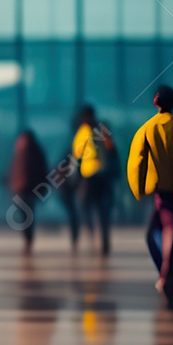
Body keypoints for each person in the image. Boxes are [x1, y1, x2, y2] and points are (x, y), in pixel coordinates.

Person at [128, 84, 173, 309]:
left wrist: (138, 189)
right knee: (168, 229)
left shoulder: (147, 128)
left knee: (157, 233)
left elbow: (137, 161)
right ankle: (167, 275)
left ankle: (166, 275)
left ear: (155, 102)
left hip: (158, 191)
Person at [72, 104, 111, 254]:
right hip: (103, 174)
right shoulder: (103, 128)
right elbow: (110, 148)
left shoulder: (83, 131)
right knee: (102, 210)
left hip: (89, 176)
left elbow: (76, 154)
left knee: (85, 208)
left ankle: (93, 237)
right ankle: (103, 238)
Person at [8, 130, 48, 252]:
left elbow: (40, 172)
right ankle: (28, 239)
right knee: (25, 215)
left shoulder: (30, 153)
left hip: (28, 189)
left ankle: (28, 239)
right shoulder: (22, 152)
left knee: (27, 216)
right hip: (21, 189)